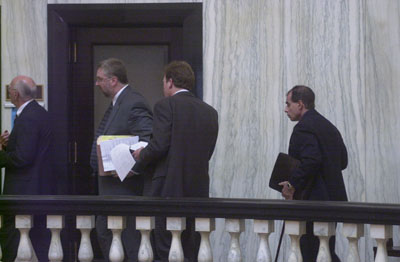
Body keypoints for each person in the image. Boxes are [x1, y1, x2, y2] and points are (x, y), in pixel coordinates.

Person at [132, 61, 219, 262]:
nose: (163, 86)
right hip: (198, 190)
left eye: (163, 82)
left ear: (170, 82)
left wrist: (139, 159)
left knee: (166, 249)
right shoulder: (210, 112)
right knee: (191, 248)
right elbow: (208, 151)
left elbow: (159, 144)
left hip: (169, 189)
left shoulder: (165, 105)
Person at [90, 58, 153, 262]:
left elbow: (147, 140)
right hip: (110, 192)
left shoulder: (134, 102)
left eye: (100, 79)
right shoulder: (119, 102)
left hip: (124, 192)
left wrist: (129, 167)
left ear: (113, 80)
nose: (97, 83)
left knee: (129, 246)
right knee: (108, 240)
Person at [279, 85, 348, 262]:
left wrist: (291, 184)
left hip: (313, 203)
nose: (286, 109)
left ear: (300, 104)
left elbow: (312, 160)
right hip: (334, 203)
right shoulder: (329, 126)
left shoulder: (303, 128)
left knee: (310, 252)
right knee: (325, 250)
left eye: (288, 104)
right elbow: (343, 161)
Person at [0, 75, 54, 262]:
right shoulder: (39, 113)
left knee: (11, 240)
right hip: (36, 188)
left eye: (9, 91)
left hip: (22, 191)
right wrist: (8, 147)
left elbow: (24, 157)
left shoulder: (28, 117)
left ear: (15, 94)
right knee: (38, 241)